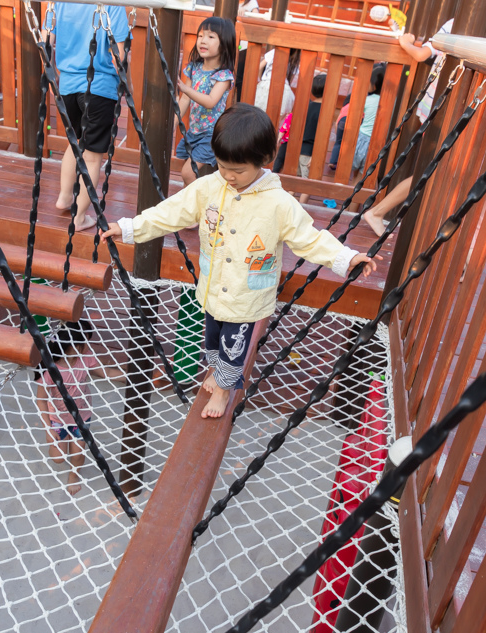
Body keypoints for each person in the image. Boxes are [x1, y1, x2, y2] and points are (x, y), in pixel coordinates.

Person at [101, 105, 380, 418]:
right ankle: (217, 372)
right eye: (223, 166)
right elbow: (169, 212)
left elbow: (310, 239)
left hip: (247, 296)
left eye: (239, 170)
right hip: (212, 288)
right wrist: (128, 228)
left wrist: (347, 257)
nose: (229, 176)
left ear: (263, 161)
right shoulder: (209, 187)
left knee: (234, 349)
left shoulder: (278, 204)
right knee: (211, 343)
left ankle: (223, 389)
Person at [359, 0, 486, 236]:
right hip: (446, 109)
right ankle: (381, 212)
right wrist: (404, 41)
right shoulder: (459, 26)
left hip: (468, 112)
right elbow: (423, 54)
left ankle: (382, 212)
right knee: (435, 169)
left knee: (436, 169)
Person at [53, 3, 130, 231]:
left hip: (67, 85)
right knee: (93, 156)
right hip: (99, 87)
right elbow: (119, 55)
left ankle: (65, 198)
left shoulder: (62, 3)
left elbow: (46, 40)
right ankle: (79, 218)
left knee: (75, 142)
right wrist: (129, 85)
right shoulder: (112, 5)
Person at [36, 320, 99, 495]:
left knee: (78, 454)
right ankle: (62, 442)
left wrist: (130, 375)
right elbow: (40, 400)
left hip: (81, 416)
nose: (89, 345)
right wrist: (48, 429)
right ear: (76, 346)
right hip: (57, 418)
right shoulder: (50, 369)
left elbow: (106, 373)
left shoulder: (85, 359)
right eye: (86, 341)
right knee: (58, 458)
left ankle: (74, 475)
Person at [177, 17, 237, 186]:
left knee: (188, 173)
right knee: (189, 174)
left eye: (211, 37)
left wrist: (187, 90)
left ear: (224, 43)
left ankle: (193, 207)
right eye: (201, 35)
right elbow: (184, 101)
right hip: (194, 131)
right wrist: (174, 122)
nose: (203, 41)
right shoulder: (193, 68)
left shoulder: (223, 76)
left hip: (211, 134)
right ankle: (190, 206)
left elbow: (211, 101)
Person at [273, 74, 327, 204]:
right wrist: (316, 155)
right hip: (308, 151)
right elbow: (321, 136)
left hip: (296, 148)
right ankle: (301, 207)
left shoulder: (306, 106)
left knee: (296, 181)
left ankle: (287, 203)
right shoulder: (324, 111)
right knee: (308, 184)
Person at [353, 64, 387, 176]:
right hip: (375, 142)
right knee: (362, 174)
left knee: (352, 169)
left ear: (375, 85)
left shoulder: (368, 100)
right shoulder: (388, 103)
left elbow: (355, 112)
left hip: (361, 138)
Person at [255, 48, 301, 120]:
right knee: (277, 119)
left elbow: (259, 67)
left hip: (266, 85)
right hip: (284, 89)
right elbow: (290, 80)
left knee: (258, 114)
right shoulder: (295, 59)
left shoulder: (275, 51)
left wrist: (261, 79)